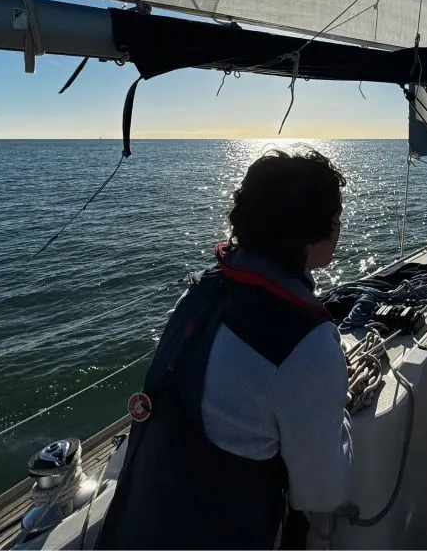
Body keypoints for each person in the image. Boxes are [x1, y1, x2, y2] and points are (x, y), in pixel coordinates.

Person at [98, 148, 353, 550]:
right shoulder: (307, 345)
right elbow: (323, 492)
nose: (339, 231)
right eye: (336, 221)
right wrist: (340, 404)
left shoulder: (200, 294)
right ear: (312, 231)